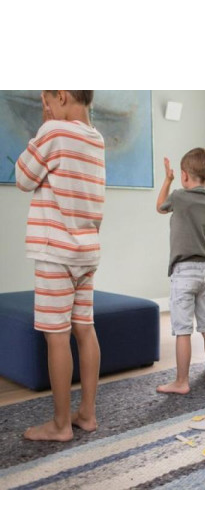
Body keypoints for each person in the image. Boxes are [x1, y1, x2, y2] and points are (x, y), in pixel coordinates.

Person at [15, 91, 105, 441]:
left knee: (57, 336)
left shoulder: (53, 130)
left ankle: (60, 424)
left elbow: (23, 177)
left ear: (62, 96)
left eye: (47, 100)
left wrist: (43, 126)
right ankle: (88, 414)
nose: (47, 108)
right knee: (85, 328)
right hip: (87, 250)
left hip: (55, 250)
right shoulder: (96, 139)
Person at [156, 148, 205, 393]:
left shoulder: (179, 197)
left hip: (184, 271)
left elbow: (160, 207)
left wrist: (168, 180)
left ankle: (181, 381)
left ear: (184, 176)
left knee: (183, 330)